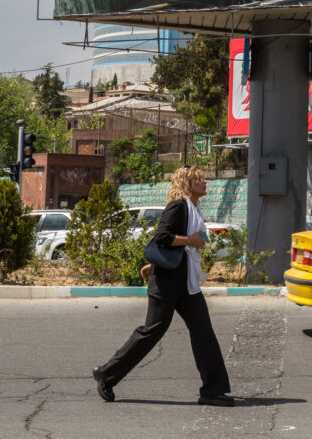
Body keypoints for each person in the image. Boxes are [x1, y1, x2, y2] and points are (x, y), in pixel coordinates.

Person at [92, 166, 234, 407]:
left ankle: (212, 390)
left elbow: (176, 245)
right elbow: (162, 236)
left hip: (185, 281)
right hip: (168, 283)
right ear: (188, 183)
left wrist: (160, 262)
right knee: (152, 331)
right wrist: (190, 241)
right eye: (200, 179)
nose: (205, 181)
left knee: (203, 332)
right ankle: (106, 374)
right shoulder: (179, 206)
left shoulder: (195, 208)